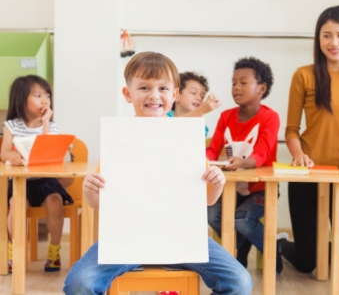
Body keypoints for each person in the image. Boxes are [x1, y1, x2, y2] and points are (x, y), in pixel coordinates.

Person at [63, 51, 253, 295]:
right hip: (125, 240)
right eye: (144, 87)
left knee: (240, 282)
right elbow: (99, 202)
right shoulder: (117, 139)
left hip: (183, 238)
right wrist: (90, 190)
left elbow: (206, 199)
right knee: (79, 284)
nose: (154, 96)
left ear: (174, 94)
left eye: (163, 88)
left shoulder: (184, 138)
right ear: (127, 94)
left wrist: (216, 183)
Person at [282, 5, 339, 273]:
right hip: (308, 173)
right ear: (318, 38)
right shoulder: (303, 75)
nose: (334, 42)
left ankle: (316, 249)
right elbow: (291, 129)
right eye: (326, 35)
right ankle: (280, 244)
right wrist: (298, 154)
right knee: (307, 262)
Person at [206, 57, 281, 272]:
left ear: (261, 88)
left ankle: (272, 250)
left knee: (241, 219)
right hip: (231, 188)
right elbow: (213, 147)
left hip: (261, 189)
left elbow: (262, 153)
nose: (236, 87)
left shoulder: (270, 117)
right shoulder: (225, 116)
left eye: (243, 82)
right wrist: (206, 160)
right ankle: (240, 245)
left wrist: (243, 162)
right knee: (210, 214)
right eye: (233, 83)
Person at [1, 75, 74, 272]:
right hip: (21, 182)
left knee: (55, 202)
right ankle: (13, 250)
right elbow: (4, 152)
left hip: (46, 181)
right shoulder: (12, 125)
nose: (45, 100)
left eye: (47, 96)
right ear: (22, 98)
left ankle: (54, 251)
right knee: (15, 205)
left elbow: (49, 149)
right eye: (38, 95)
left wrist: (45, 123)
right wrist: (12, 157)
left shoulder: (52, 126)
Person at [167, 71, 221, 137]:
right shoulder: (164, 116)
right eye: (193, 93)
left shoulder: (201, 126)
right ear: (176, 96)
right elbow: (170, 129)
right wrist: (201, 110)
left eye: (202, 97)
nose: (199, 98)